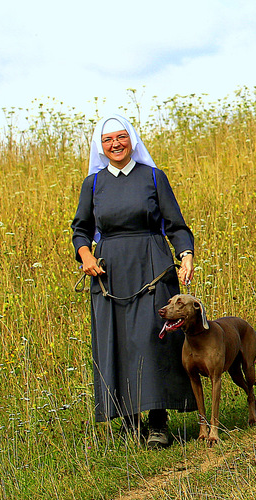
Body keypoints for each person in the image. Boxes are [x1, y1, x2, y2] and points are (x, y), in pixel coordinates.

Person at [71, 114, 196, 448]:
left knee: (152, 341)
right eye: (108, 140)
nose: (115, 144)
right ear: (101, 146)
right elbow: (80, 229)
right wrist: (85, 256)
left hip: (152, 265)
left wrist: (185, 255)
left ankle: (158, 423)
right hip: (110, 273)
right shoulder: (93, 184)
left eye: (121, 138)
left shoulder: (154, 178)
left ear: (132, 140)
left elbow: (177, 225)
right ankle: (129, 424)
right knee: (119, 343)